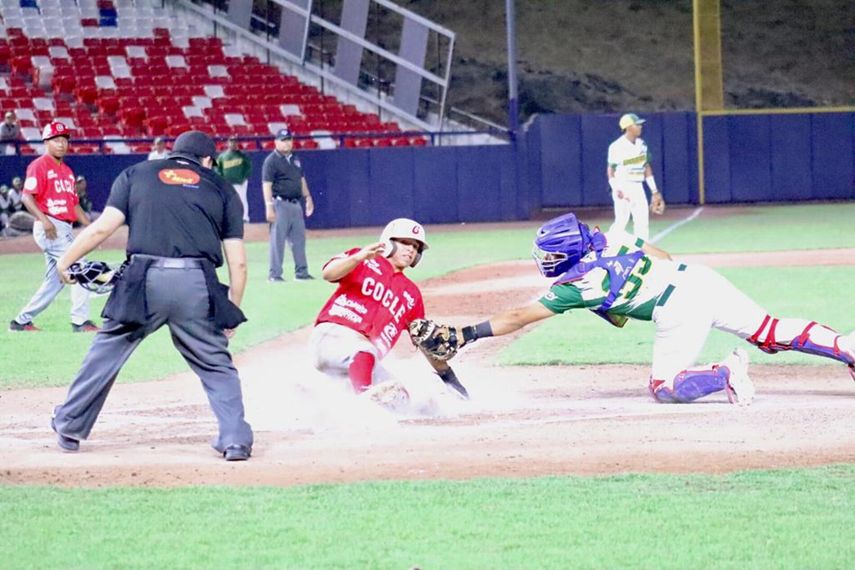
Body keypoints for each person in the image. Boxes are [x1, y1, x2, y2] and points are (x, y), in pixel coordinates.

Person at [432, 212, 855, 405]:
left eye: (550, 254)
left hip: (677, 308)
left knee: (665, 387)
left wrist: (466, 334)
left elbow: (518, 316)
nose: (545, 260)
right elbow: (664, 257)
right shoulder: (614, 238)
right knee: (770, 330)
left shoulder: (576, 286)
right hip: (698, 278)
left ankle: (725, 372)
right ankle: (846, 347)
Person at [50, 130, 254, 461]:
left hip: (142, 281)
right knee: (216, 364)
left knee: (107, 351)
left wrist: (65, 260)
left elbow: (102, 228)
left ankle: (70, 425)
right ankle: (235, 439)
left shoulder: (136, 174)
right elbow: (239, 263)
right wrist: (231, 311)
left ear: (173, 153)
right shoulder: (222, 188)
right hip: (196, 283)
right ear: (207, 160)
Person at [309, 218, 466, 408]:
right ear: (388, 242)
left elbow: (423, 341)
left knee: (400, 398)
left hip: (364, 362)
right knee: (364, 351)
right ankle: (364, 405)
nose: (411, 250)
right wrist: (358, 258)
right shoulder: (364, 261)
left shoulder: (412, 294)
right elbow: (328, 273)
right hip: (331, 339)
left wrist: (448, 376)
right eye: (405, 242)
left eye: (416, 247)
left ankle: (315, 400)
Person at [9, 121, 99, 333]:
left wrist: (92, 228)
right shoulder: (38, 165)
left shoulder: (67, 171)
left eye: (64, 140)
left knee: (55, 281)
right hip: (50, 226)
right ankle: (80, 322)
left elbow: (74, 204)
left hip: (63, 228)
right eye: (56, 140)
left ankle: (20, 322)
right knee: (78, 265)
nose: (61, 144)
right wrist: (44, 220)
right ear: (46, 142)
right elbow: (27, 197)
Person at [263, 127, 315, 282]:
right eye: (283, 140)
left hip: (295, 204)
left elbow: (301, 179)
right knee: (277, 241)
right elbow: (266, 185)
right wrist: (269, 206)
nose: (286, 143)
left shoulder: (295, 158)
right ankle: (275, 274)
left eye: (288, 140)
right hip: (280, 204)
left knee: (299, 240)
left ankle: (302, 273)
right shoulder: (271, 161)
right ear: (276, 142)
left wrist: (308, 197)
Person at [607, 113, 663, 240]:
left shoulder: (642, 144)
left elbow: (646, 167)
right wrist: (616, 188)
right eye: (637, 124)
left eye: (640, 124)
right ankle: (606, 246)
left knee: (642, 222)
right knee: (621, 222)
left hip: (638, 186)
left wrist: (654, 191)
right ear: (628, 127)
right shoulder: (616, 146)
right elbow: (611, 170)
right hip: (623, 185)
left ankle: (641, 250)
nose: (640, 127)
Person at [215, 135, 252, 222]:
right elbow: (216, 168)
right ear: (227, 143)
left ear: (237, 143)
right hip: (227, 183)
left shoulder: (243, 155)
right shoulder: (221, 156)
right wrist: (222, 180)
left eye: (234, 142)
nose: (233, 143)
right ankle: (226, 218)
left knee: (242, 199)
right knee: (226, 201)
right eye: (231, 141)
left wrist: (244, 178)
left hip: (240, 182)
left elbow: (249, 168)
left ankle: (244, 217)